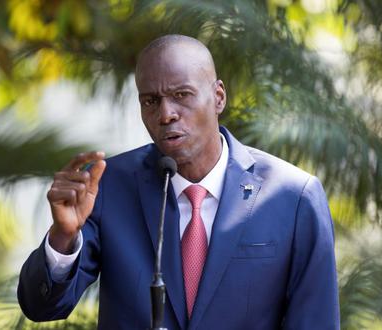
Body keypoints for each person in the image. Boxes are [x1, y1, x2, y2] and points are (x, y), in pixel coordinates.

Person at [18, 34, 340, 329]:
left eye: (181, 95)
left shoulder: (293, 197)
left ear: (218, 97)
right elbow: (41, 306)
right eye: (150, 101)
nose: (166, 114)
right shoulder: (107, 187)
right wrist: (62, 237)